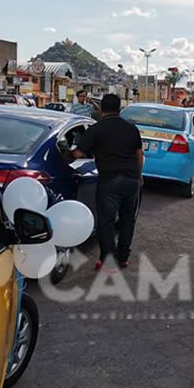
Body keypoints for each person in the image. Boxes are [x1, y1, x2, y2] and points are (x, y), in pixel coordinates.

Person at [72, 94, 143, 270]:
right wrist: (138, 176)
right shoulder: (131, 128)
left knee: (106, 221)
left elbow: (79, 154)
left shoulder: (97, 129)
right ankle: (123, 258)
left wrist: (67, 151)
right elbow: (139, 155)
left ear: (102, 109)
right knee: (127, 220)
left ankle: (108, 260)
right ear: (119, 108)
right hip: (131, 180)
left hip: (110, 180)